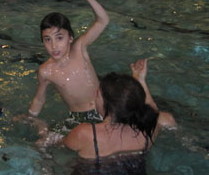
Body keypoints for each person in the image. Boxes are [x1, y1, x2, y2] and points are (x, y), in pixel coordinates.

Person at [25, 59, 176, 173]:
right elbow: (152, 109)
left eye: (98, 93)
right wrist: (140, 79)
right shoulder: (150, 127)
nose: (94, 95)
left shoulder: (87, 133)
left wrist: (41, 128)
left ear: (106, 106)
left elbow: (55, 143)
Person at [29, 0, 110, 134]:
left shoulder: (79, 49)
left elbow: (103, 20)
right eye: (47, 39)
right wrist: (30, 118)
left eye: (59, 37)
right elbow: (40, 98)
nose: (54, 46)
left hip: (104, 111)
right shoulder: (46, 71)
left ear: (70, 38)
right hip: (77, 119)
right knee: (42, 145)